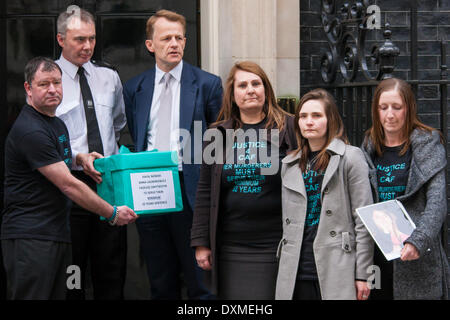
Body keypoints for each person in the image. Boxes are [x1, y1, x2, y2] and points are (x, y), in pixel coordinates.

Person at [0, 57, 137, 300]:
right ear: (28, 89)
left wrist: (79, 158)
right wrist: (112, 213)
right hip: (32, 239)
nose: (53, 89)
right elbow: (68, 184)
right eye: (44, 84)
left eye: (57, 82)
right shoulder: (31, 129)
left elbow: (57, 160)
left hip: (55, 234)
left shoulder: (55, 124)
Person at [123, 9, 223, 300]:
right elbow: (137, 132)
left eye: (180, 37)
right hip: (149, 189)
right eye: (166, 38)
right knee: (159, 276)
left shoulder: (207, 84)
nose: (175, 43)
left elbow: (219, 142)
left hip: (190, 186)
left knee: (199, 279)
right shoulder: (135, 88)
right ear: (150, 45)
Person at [191, 61, 297, 300]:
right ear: (233, 94)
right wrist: (201, 242)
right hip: (231, 245)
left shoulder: (289, 127)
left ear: (266, 90)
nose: (250, 90)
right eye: (243, 85)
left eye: (256, 83)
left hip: (277, 243)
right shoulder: (218, 133)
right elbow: (205, 190)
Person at [54, 8, 128, 300]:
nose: (87, 46)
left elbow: (119, 124)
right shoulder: (49, 79)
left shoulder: (109, 77)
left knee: (111, 269)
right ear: (61, 39)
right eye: (79, 39)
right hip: (68, 187)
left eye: (92, 39)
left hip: (108, 184)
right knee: (73, 272)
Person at [275, 88, 373, 300]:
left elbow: (364, 220)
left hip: (337, 265)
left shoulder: (351, 157)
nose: (308, 121)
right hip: (296, 268)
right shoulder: (289, 164)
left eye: (316, 115)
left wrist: (363, 274)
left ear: (331, 120)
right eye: (303, 116)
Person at [361, 77, 450, 300]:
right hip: (378, 256)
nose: (390, 114)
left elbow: (437, 202)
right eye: (383, 107)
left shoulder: (428, 144)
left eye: (397, 107)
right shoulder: (368, 146)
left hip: (416, 253)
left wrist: (417, 240)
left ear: (408, 109)